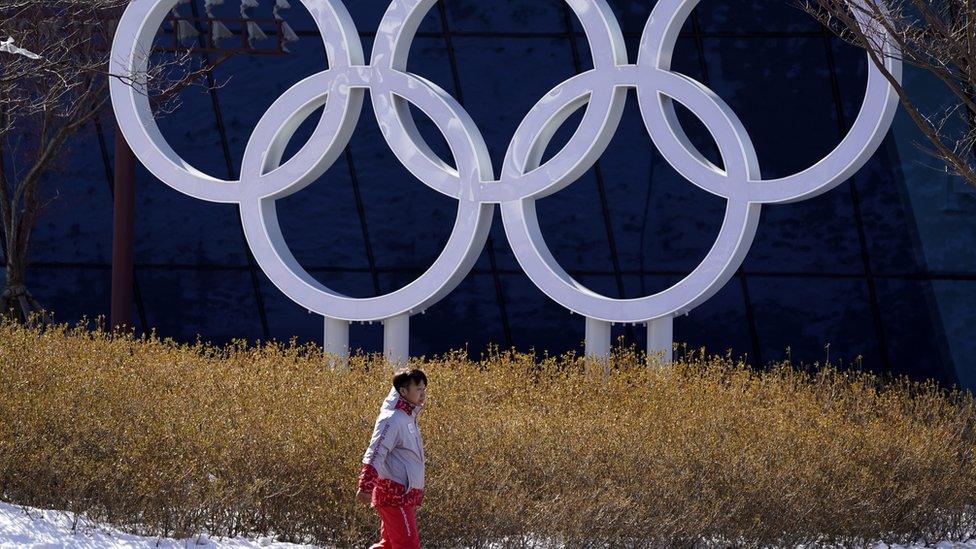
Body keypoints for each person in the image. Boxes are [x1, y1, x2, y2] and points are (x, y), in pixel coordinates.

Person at [356, 368, 427, 549]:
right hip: (395, 494)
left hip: (403, 493)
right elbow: (376, 452)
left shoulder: (408, 417)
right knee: (407, 545)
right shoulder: (392, 418)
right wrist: (365, 485)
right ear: (403, 391)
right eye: (418, 389)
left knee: (388, 545)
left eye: (424, 389)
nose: (423, 394)